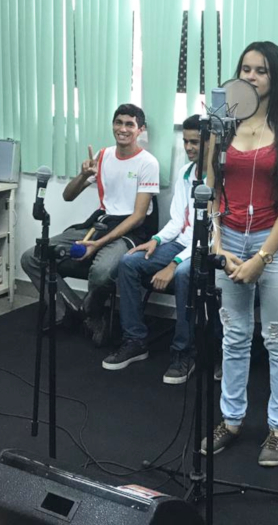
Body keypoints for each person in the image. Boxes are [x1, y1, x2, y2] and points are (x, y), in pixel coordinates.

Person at [200, 41, 278, 468]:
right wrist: (217, 246)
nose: (250, 76)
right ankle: (231, 420)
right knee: (234, 335)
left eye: (261, 70)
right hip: (229, 241)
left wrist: (261, 256)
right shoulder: (221, 126)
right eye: (245, 68)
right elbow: (209, 191)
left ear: (275, 77)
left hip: (274, 244)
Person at [20, 104, 160, 346]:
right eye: (118, 122)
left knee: (102, 271)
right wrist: (84, 175)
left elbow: (138, 217)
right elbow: (68, 195)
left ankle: (92, 313)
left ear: (140, 130)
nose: (123, 129)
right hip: (101, 223)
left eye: (130, 124)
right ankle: (71, 310)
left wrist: (98, 244)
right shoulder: (103, 156)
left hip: (132, 231)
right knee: (32, 256)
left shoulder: (148, 163)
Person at [102, 115, 201, 384]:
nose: (189, 147)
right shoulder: (186, 172)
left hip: (204, 249)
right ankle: (135, 340)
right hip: (181, 243)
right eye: (186, 141)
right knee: (129, 262)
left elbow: (211, 234)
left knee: (183, 274)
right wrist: (156, 240)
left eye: (195, 142)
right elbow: (178, 221)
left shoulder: (221, 178)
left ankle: (184, 353)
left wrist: (173, 263)